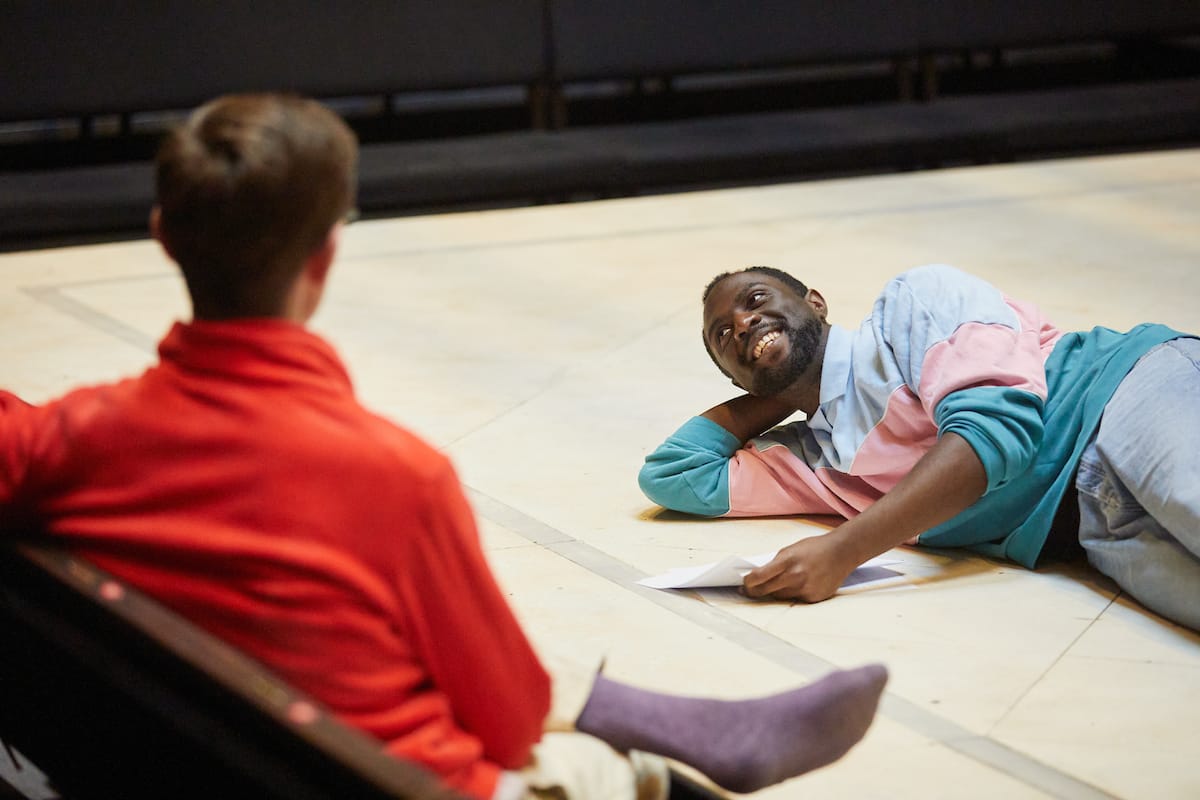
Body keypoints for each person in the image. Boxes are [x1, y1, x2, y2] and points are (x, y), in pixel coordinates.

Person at [0, 94, 888, 800]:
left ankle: (708, 731)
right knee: (597, 766)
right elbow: (504, 730)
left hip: (158, 759)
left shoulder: (71, 438)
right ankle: (697, 742)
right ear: (326, 255)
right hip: (388, 777)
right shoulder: (395, 478)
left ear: (163, 238)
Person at [640, 263, 1200, 631]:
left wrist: (841, 553)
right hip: (1082, 526)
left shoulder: (913, 305)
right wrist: (779, 386)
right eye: (723, 336)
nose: (741, 323)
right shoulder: (811, 460)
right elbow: (673, 474)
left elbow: (992, 436)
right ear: (735, 384)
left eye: (755, 299)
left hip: (1123, 396)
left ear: (815, 301)